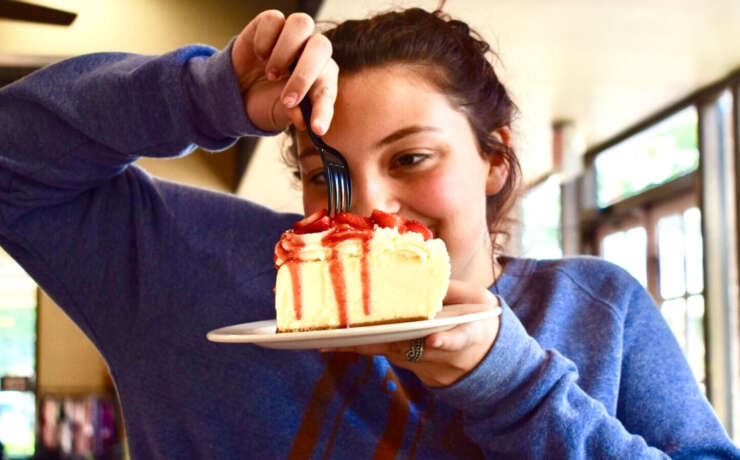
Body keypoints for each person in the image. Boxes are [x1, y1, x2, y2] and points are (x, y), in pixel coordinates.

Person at [0, 5, 738, 459]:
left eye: (411, 158)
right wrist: (204, 95)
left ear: (493, 158)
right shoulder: (190, 267)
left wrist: (513, 388)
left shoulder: (598, 311)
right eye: (326, 174)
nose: (368, 209)